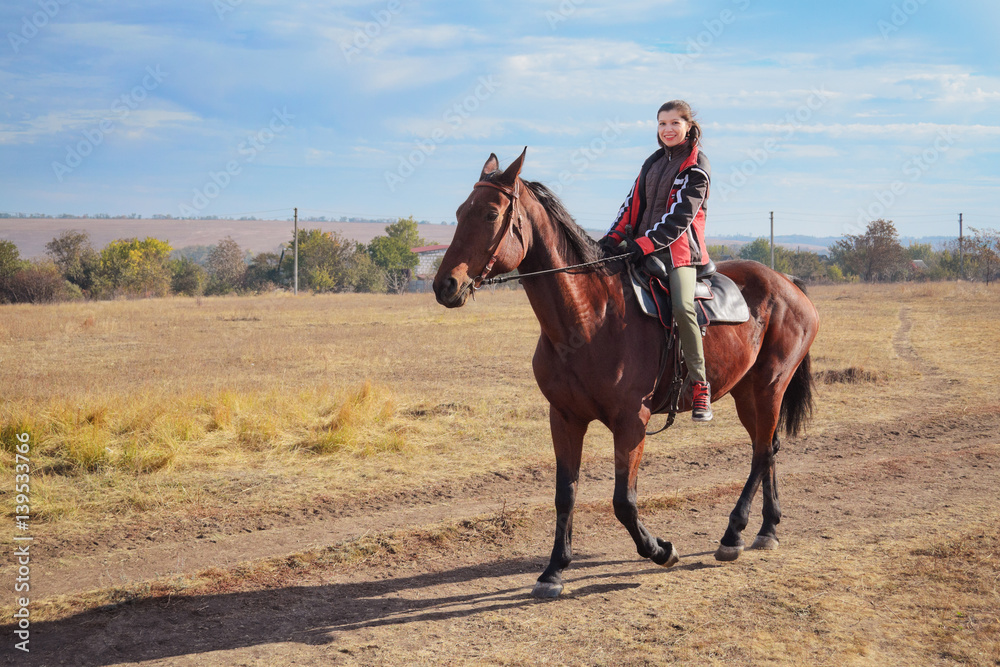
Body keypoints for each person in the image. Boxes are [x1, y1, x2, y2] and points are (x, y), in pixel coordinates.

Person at [599, 100, 714, 422]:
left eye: (674, 123)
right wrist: (611, 238)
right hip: (639, 245)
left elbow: (679, 219)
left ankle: (700, 384)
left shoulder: (696, 166)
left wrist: (642, 245)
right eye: (662, 123)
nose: (667, 129)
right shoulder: (652, 163)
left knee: (682, 306)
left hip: (678, 253)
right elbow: (631, 205)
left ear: (688, 126)